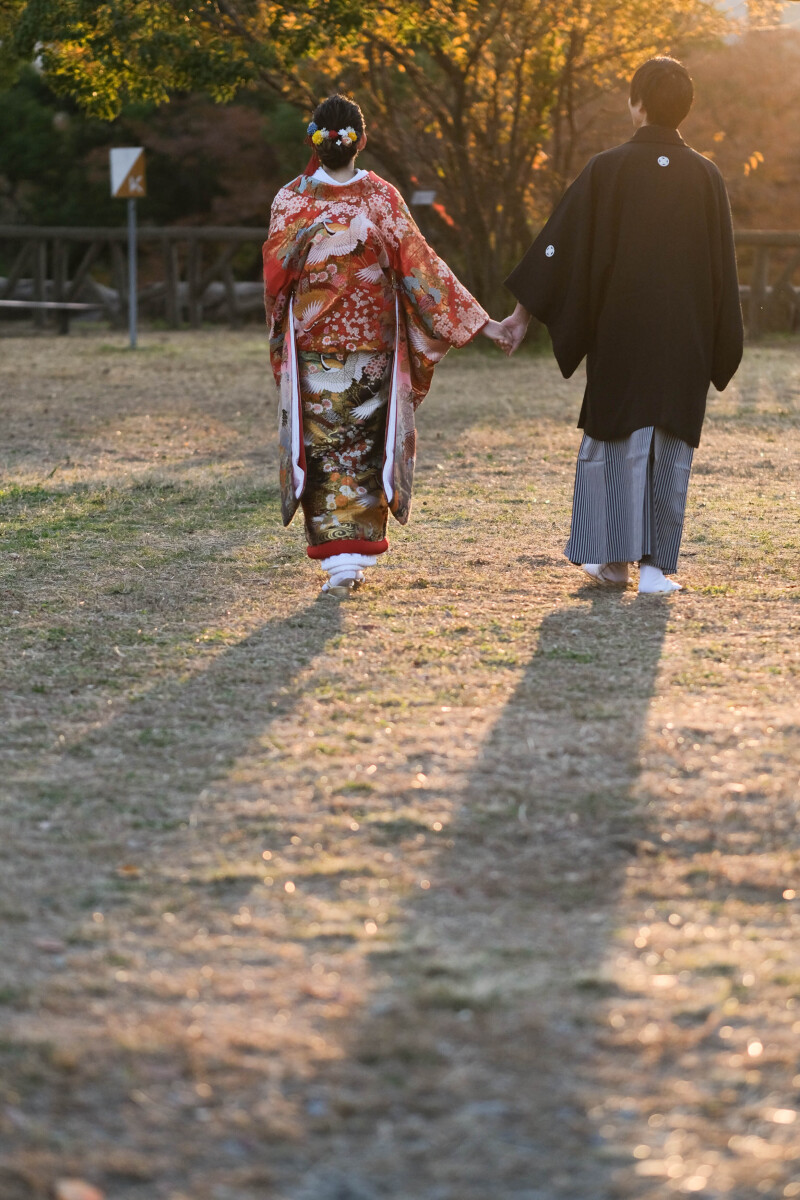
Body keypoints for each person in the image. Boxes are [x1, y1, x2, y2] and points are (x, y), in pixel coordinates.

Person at [503, 57, 743, 594]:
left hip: (620, 332)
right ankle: (655, 568)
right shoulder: (706, 175)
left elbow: (558, 249)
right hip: (685, 334)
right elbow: (722, 271)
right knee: (669, 441)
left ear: (636, 103)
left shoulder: (606, 168)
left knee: (613, 434)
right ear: (685, 108)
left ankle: (610, 562)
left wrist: (521, 318)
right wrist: (724, 340)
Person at [263, 94, 512, 598]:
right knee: (362, 447)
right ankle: (348, 562)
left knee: (328, 452)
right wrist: (483, 324)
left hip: (315, 347)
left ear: (313, 137)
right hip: (371, 344)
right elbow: (421, 268)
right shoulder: (381, 198)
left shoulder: (291, 199)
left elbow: (275, 281)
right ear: (361, 139)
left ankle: (341, 565)